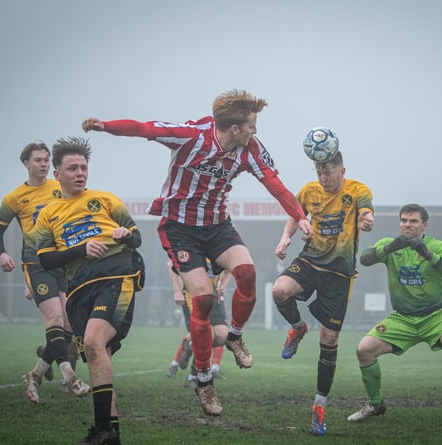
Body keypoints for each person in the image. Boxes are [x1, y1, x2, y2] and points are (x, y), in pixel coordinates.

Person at [82, 89, 312, 416]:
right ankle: (204, 381)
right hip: (180, 229)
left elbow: (275, 184)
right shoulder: (190, 137)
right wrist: (106, 125)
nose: (255, 131)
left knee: (247, 274)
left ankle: (234, 337)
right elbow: (145, 129)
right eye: (251, 125)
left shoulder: (250, 150)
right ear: (234, 128)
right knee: (202, 298)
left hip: (217, 226)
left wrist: (301, 216)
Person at [35, 136, 145, 445]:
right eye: (72, 168)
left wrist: (125, 235)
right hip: (78, 288)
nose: (80, 173)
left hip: (116, 274)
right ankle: (112, 435)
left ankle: (102, 428)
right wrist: (81, 248)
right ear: (57, 174)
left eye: (83, 167)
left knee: (95, 342)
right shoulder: (48, 215)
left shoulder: (106, 199)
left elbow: (137, 237)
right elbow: (44, 258)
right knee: (98, 354)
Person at [347, 203, 442, 426]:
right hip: (403, 318)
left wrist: (427, 253)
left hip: (436, 315)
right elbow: (364, 258)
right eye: (404, 220)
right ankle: (375, 404)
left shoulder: (437, 245)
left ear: (424, 225)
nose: (407, 225)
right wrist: (389, 248)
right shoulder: (391, 245)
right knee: (364, 349)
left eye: (413, 221)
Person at [271, 150, 374, 436]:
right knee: (280, 290)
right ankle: (296, 327)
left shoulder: (357, 190)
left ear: (342, 170)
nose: (323, 177)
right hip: (310, 261)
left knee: (329, 339)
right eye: (319, 172)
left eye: (328, 172)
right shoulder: (309, 191)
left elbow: (366, 211)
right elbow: (295, 213)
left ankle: (319, 404)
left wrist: (366, 220)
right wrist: (285, 237)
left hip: (339, 275)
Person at [0, 141, 85, 401]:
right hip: (36, 264)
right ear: (26, 164)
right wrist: (3, 253)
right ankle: (70, 377)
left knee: (68, 325)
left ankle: (35, 374)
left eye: (46, 160)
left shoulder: (59, 187)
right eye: (38, 160)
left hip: (63, 262)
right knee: (54, 319)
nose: (43, 164)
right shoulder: (14, 198)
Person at [166, 258, 230, 385]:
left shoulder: (219, 245)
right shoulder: (191, 242)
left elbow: (229, 268)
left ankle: (189, 344)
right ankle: (194, 377)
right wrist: (178, 291)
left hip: (214, 296)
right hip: (193, 295)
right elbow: (173, 266)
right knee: (207, 335)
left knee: (224, 335)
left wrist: (222, 285)